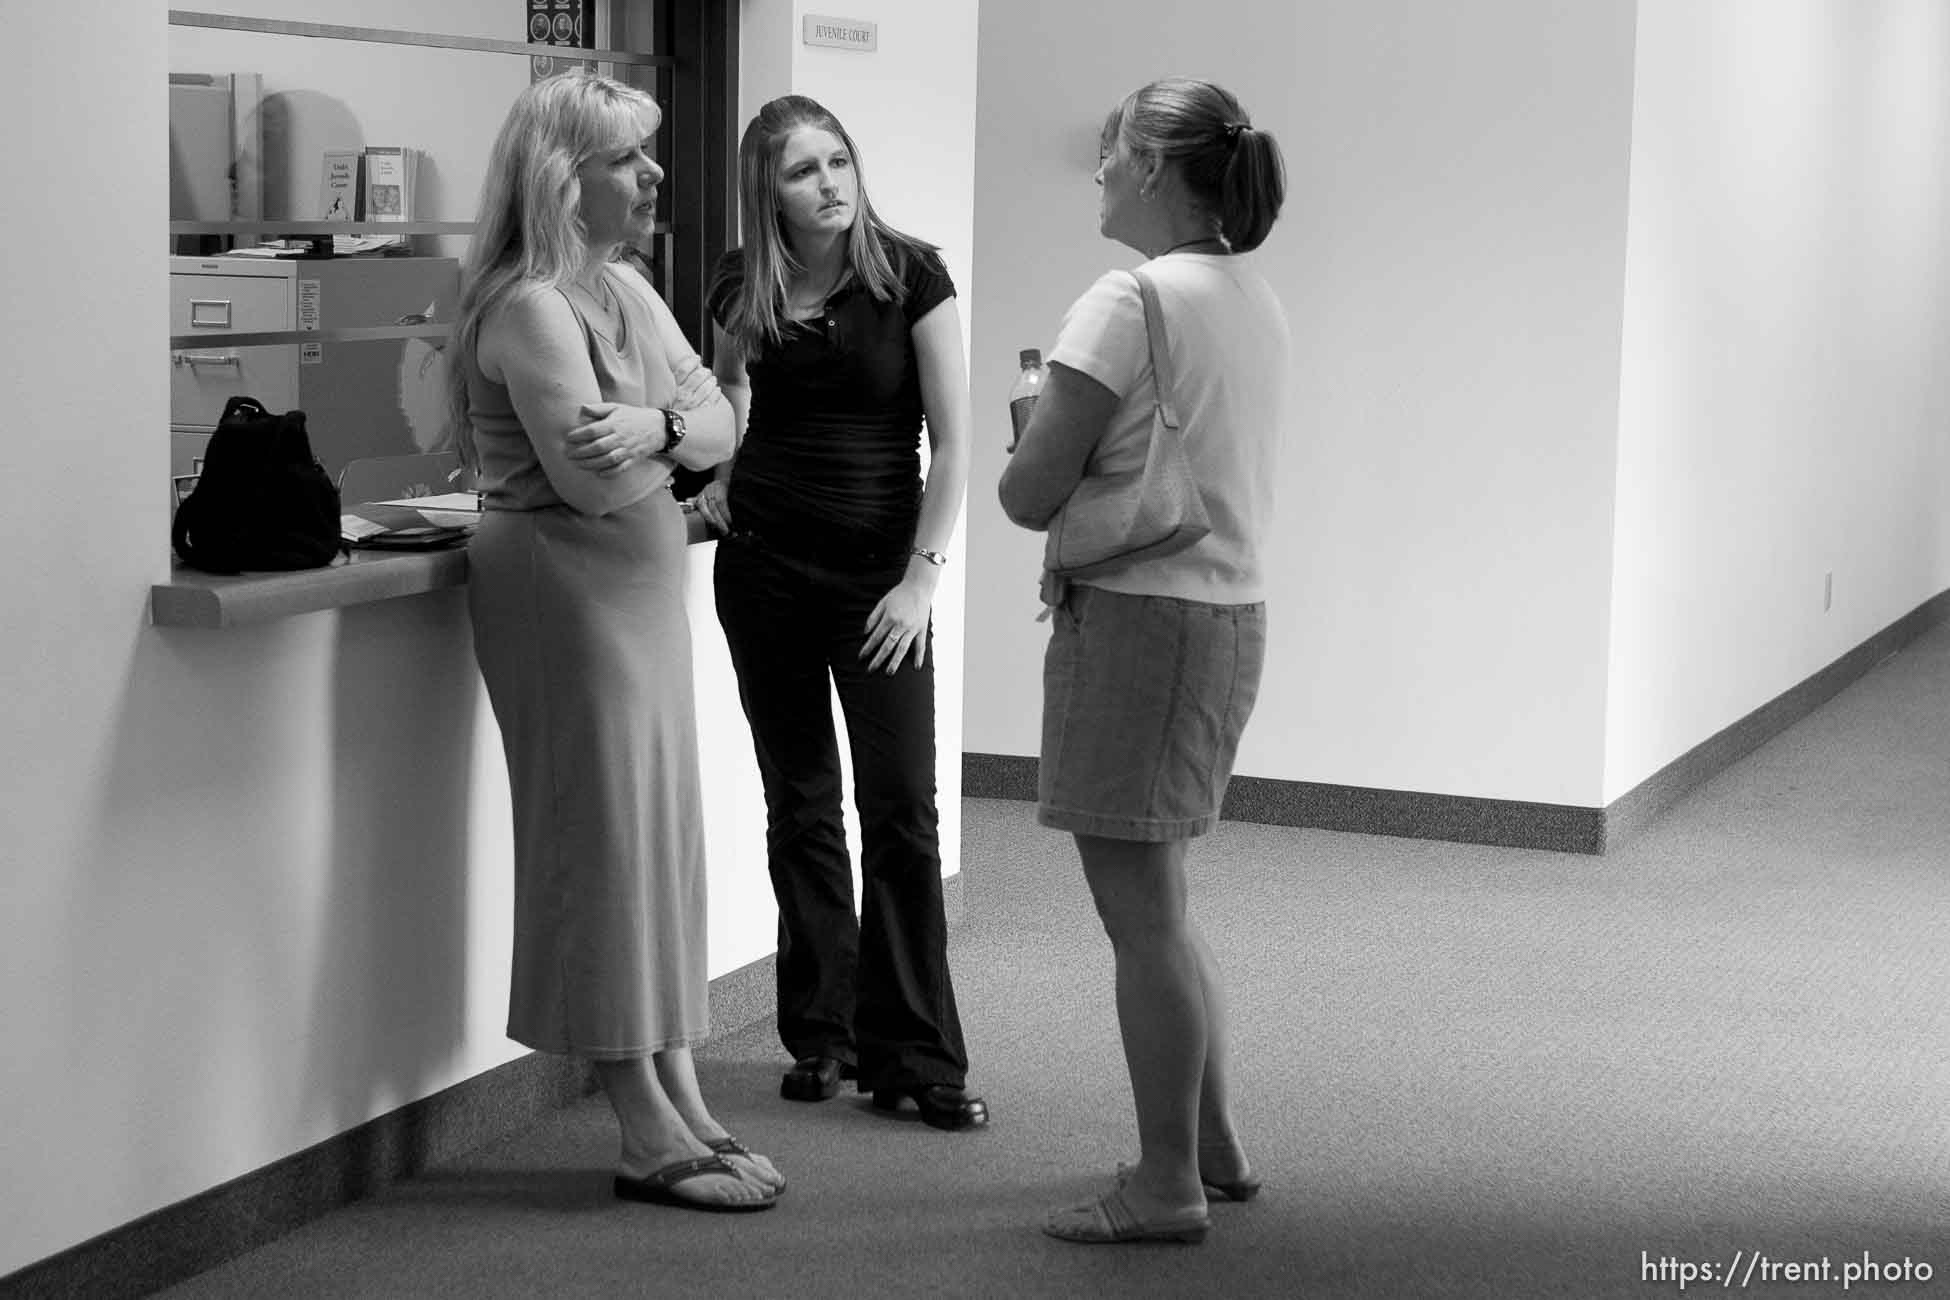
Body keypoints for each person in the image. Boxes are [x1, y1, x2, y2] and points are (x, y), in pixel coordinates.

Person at [447, 71, 783, 1213]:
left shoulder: (624, 286)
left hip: (633, 593)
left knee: (652, 836)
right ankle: (641, 1123)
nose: (651, 178)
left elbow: (730, 414)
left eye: (647, 158)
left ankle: (676, 1085)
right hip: (562, 591)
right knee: (597, 841)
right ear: (563, 177)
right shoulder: (532, 305)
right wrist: (682, 435)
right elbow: (595, 484)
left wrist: (668, 425)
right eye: (626, 162)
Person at [998, 77, 1290, 1243]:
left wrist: (1035, 435)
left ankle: (1166, 1182)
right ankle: (1210, 1144)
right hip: (1222, 619)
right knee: (1166, 904)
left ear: (1158, 171)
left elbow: (1029, 493)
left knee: (1144, 920)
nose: (1101, 172)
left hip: (1138, 621)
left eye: (1113, 153)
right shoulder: (1249, 293)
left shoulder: (1129, 300)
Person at [698, 95, 986, 1131]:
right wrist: (724, 466)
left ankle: (917, 1053)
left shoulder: (911, 274)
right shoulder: (743, 283)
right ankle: (822, 1033)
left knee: (901, 808)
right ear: (765, 192)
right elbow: (725, 387)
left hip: (881, 584)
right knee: (802, 803)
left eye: (838, 162)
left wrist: (923, 578)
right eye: (802, 171)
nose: (829, 183)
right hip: (764, 568)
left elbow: (952, 445)